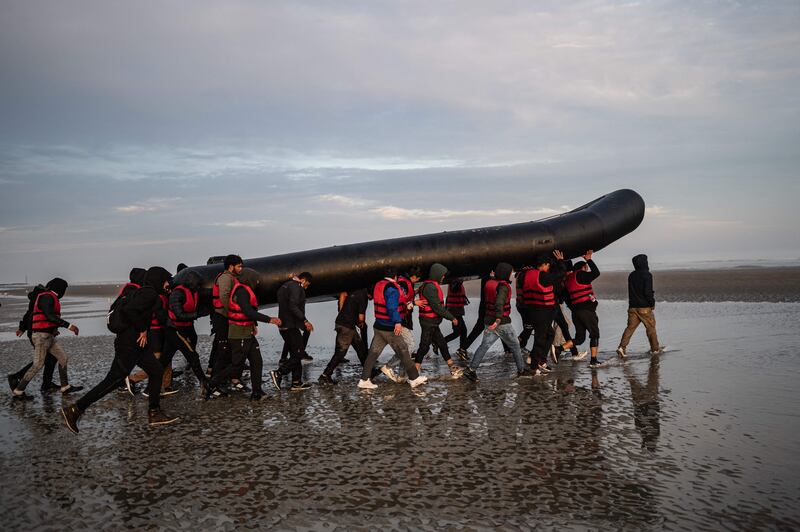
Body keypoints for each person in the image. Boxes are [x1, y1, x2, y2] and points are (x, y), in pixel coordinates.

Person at [61, 267, 179, 433]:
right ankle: (75, 409)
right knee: (113, 381)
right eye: (166, 280)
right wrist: (142, 329)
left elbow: (159, 316)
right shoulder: (149, 293)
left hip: (138, 345)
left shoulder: (148, 293)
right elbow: (129, 310)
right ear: (159, 279)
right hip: (129, 344)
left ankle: (154, 413)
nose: (168, 283)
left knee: (156, 371)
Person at [206, 268, 281, 400]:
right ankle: (211, 384)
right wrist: (270, 319)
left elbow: (248, 312)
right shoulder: (241, 292)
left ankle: (257, 392)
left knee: (257, 361)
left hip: (247, 332)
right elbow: (248, 311)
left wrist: (253, 324)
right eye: (256, 280)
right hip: (239, 333)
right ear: (249, 279)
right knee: (236, 365)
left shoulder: (245, 290)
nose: (257, 283)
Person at [8, 279, 88, 394]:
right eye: (63, 289)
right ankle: (19, 389)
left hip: (48, 336)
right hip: (40, 336)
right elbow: (49, 316)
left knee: (63, 358)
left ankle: (64, 386)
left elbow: (47, 317)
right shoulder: (46, 297)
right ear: (59, 288)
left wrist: (53, 329)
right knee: (38, 364)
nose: (63, 292)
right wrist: (69, 326)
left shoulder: (49, 297)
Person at [142, 269, 210, 396]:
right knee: (192, 356)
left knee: (164, 359)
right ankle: (204, 383)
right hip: (175, 330)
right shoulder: (177, 294)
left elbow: (206, 294)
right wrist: (199, 314)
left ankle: (149, 388)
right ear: (191, 283)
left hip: (185, 329)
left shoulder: (193, 292)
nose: (199, 286)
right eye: (197, 284)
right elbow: (179, 315)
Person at [462, 263, 534, 381]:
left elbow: (493, 293)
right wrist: (498, 319)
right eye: (511, 272)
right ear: (505, 273)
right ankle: (522, 370)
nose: (512, 274)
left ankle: (471, 370)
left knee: (484, 346)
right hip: (501, 322)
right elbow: (499, 303)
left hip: (488, 320)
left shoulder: (490, 283)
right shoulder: (503, 287)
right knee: (515, 345)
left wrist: (491, 277)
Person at [359, 267, 427, 389]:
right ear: (395, 277)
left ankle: (364, 380)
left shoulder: (378, 285)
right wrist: (397, 322)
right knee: (404, 351)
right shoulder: (392, 289)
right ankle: (414, 378)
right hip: (389, 328)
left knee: (373, 354)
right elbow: (392, 308)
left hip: (378, 326)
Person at [517, 250, 566, 374]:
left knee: (550, 334)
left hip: (532, 310)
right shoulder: (543, 276)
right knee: (540, 339)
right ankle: (534, 367)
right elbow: (560, 274)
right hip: (543, 311)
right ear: (543, 264)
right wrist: (560, 261)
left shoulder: (525, 275)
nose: (548, 267)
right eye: (548, 265)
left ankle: (541, 360)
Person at [413, 263, 463, 378]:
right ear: (436, 274)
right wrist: (452, 317)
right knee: (424, 346)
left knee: (442, 343)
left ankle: (452, 367)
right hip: (428, 322)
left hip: (433, 322)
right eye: (442, 275)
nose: (443, 277)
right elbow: (437, 307)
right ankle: (414, 373)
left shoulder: (431, 285)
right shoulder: (430, 287)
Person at [126, 272, 171, 394]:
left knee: (166, 358)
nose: (168, 283)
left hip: (159, 331)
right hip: (155, 332)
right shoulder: (155, 296)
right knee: (157, 362)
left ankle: (165, 385)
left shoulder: (161, 295)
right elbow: (159, 316)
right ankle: (133, 379)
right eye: (166, 281)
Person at [270, 272, 314, 391]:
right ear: (304, 280)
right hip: (291, 326)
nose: (306, 287)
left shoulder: (284, 286)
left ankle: (296, 382)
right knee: (299, 354)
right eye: (307, 284)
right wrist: (305, 321)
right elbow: (293, 306)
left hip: (283, 325)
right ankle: (279, 373)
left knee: (296, 353)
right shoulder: (296, 288)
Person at [377, 265, 421, 382]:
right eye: (417, 279)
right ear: (414, 277)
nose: (417, 281)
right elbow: (400, 302)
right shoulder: (404, 284)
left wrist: (414, 294)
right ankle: (388, 366)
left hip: (401, 320)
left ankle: (402, 375)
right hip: (401, 320)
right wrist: (415, 303)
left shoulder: (404, 283)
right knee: (409, 346)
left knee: (405, 347)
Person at [319, 288, 370, 385]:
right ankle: (325, 375)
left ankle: (368, 372)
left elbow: (342, 294)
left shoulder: (356, 288)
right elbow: (361, 318)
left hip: (343, 323)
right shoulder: (364, 297)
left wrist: (341, 311)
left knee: (360, 348)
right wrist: (361, 323)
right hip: (346, 327)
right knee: (340, 353)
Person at [617, 254, 664, 357]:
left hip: (632, 307)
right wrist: (652, 303)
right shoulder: (647, 275)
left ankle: (622, 347)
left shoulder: (631, 275)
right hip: (644, 307)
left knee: (630, 328)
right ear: (644, 263)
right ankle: (655, 350)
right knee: (651, 328)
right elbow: (647, 292)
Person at [207, 255, 243, 386]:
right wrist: (233, 313)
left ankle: (218, 374)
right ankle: (214, 381)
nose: (241, 268)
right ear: (231, 266)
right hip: (222, 317)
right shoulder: (225, 278)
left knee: (222, 347)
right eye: (239, 266)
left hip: (224, 316)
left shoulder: (231, 278)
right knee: (223, 349)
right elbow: (224, 296)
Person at [564, 250, 602, 367]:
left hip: (576, 312)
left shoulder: (568, 280)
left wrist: (575, 309)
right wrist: (589, 259)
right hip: (586, 310)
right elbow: (596, 273)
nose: (587, 269)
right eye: (586, 267)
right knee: (594, 334)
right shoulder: (581, 274)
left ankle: (559, 348)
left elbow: (567, 298)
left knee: (580, 338)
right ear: (584, 267)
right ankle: (594, 360)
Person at [443, 279, 469, 358]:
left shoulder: (454, 281)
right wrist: (459, 281)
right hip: (455, 310)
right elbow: (455, 288)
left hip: (455, 309)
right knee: (458, 332)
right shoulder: (455, 281)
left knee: (463, 331)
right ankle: (440, 342)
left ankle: (462, 349)